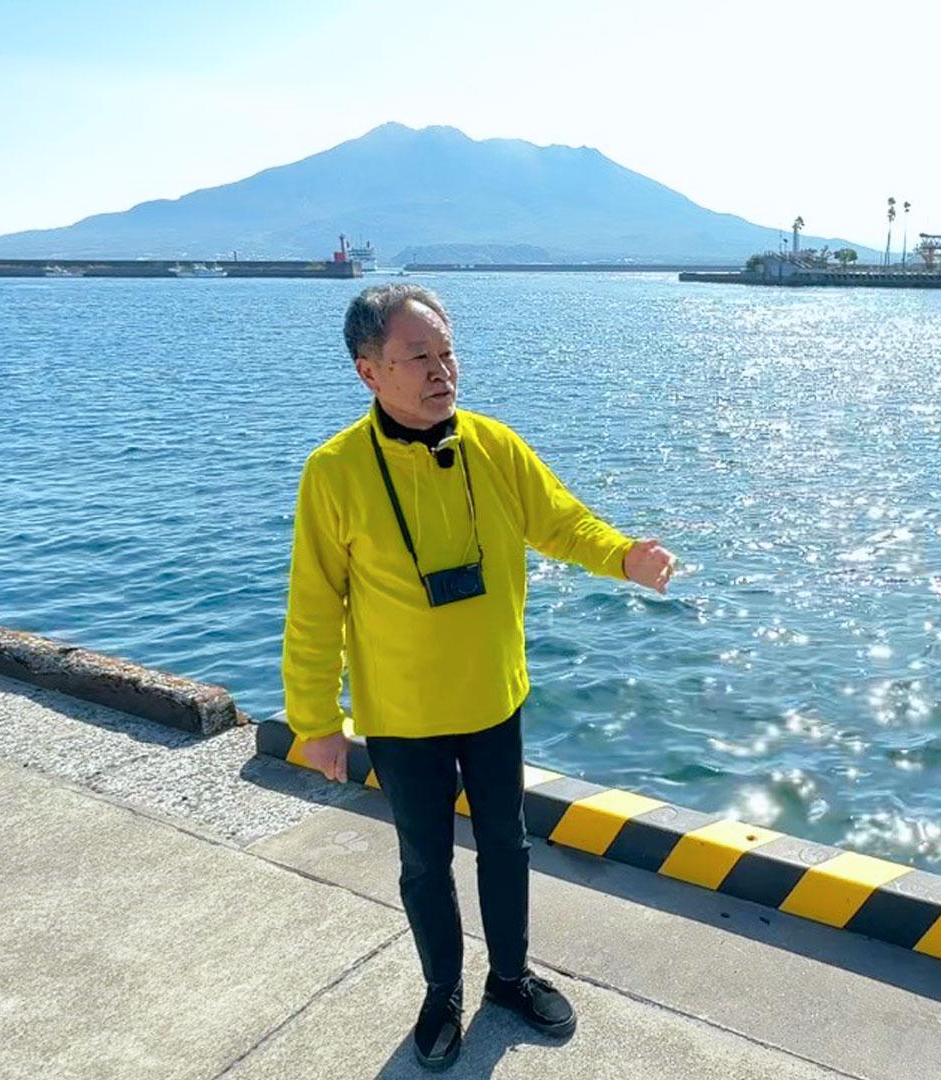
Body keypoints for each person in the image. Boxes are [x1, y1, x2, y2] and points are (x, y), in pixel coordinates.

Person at [281, 283, 677, 1070]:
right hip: (400, 716)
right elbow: (314, 606)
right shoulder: (334, 473)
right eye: (418, 356)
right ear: (369, 371)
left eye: (448, 351)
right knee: (425, 862)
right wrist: (316, 720)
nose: (442, 370)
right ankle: (441, 992)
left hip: (495, 698)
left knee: (506, 846)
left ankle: (508, 977)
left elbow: (560, 520)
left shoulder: (493, 445)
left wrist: (625, 555)